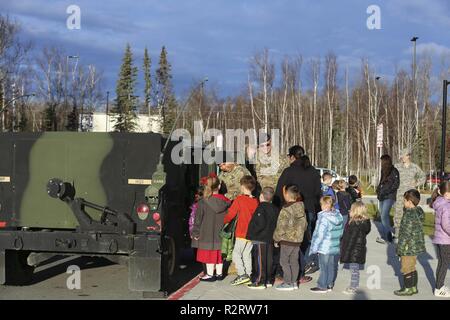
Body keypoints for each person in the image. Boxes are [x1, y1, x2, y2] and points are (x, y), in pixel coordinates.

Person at [275, 146, 321, 276]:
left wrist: (278, 207)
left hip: (293, 210)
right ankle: (309, 262)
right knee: (309, 237)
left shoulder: (289, 171)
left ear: (292, 157)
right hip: (310, 208)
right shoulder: (313, 171)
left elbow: (279, 191)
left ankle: (298, 265)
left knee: (294, 239)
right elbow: (318, 192)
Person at [191, 175, 231, 282]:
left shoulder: (202, 202)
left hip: (206, 233)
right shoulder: (226, 202)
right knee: (219, 254)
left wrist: (195, 233)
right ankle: (219, 274)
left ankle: (209, 274)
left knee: (208, 254)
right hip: (222, 233)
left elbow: (198, 220)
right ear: (219, 186)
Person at [224, 175, 259, 286]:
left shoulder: (239, 199)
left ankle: (242, 274)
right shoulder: (256, 201)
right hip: (252, 233)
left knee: (236, 254)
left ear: (243, 186)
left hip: (241, 231)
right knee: (246, 254)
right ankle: (248, 275)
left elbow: (231, 214)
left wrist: (224, 221)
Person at [273, 184, 308, 291]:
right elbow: (305, 224)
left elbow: (281, 226)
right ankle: (294, 282)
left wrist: (276, 238)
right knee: (294, 261)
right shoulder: (301, 207)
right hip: (297, 240)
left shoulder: (286, 209)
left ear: (287, 195)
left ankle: (288, 282)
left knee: (284, 261)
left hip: (287, 240)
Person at [246, 187, 280, 289]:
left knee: (260, 260)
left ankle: (260, 281)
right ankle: (268, 279)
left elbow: (259, 223)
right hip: (270, 238)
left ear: (261, 196)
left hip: (260, 237)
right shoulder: (275, 209)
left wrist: (250, 233)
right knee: (269, 260)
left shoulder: (261, 208)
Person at [394, 189, 425, 296]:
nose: (403, 202)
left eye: (404, 200)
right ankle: (413, 287)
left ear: (410, 202)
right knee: (412, 267)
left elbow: (405, 234)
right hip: (415, 245)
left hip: (408, 246)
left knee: (406, 268)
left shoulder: (408, 215)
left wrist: (400, 249)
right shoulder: (418, 211)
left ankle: (407, 288)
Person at [309, 196, 344, 293]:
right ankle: (329, 284)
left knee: (323, 266)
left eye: (321, 204)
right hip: (334, 245)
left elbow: (319, 234)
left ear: (324, 205)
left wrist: (314, 247)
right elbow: (341, 232)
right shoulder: (338, 216)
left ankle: (322, 285)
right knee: (331, 265)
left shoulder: (323, 217)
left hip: (324, 246)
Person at [340, 202, 371, 295]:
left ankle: (353, 286)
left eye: (351, 209)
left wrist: (345, 253)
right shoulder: (362, 222)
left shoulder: (355, 224)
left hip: (354, 250)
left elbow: (351, 240)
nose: (349, 211)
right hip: (359, 249)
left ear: (355, 211)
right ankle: (354, 285)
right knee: (355, 270)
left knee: (354, 270)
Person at [394, 148, 426, 238]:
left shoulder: (415, 167)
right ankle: (397, 232)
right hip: (399, 194)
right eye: (401, 156)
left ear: (408, 156)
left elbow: (423, 177)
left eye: (404, 155)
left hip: (410, 195)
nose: (402, 157)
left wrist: (416, 183)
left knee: (411, 213)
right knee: (399, 213)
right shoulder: (397, 167)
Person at [430, 181, 450, 298]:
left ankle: (439, 286)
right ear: (445, 194)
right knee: (444, 264)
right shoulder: (446, 205)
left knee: (442, 263)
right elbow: (446, 224)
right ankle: (439, 288)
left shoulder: (439, 202)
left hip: (440, 239)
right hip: (445, 240)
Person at [376, 154, 400, 244]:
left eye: (382, 161)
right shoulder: (383, 170)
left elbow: (396, 185)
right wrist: (378, 190)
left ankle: (388, 236)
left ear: (386, 161)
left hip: (389, 196)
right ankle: (386, 236)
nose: (381, 163)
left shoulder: (394, 171)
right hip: (382, 195)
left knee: (384, 215)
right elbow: (381, 182)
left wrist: (386, 191)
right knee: (382, 216)